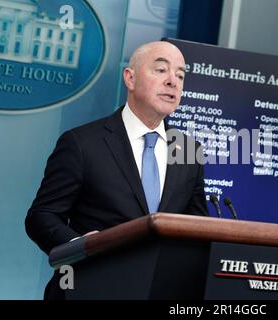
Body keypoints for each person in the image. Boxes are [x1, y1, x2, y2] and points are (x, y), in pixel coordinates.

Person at [25, 41, 209, 299]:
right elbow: (42, 216)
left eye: (180, 75)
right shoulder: (81, 143)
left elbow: (196, 230)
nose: (172, 81)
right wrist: (82, 247)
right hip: (89, 288)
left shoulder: (188, 151)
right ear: (130, 78)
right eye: (161, 70)